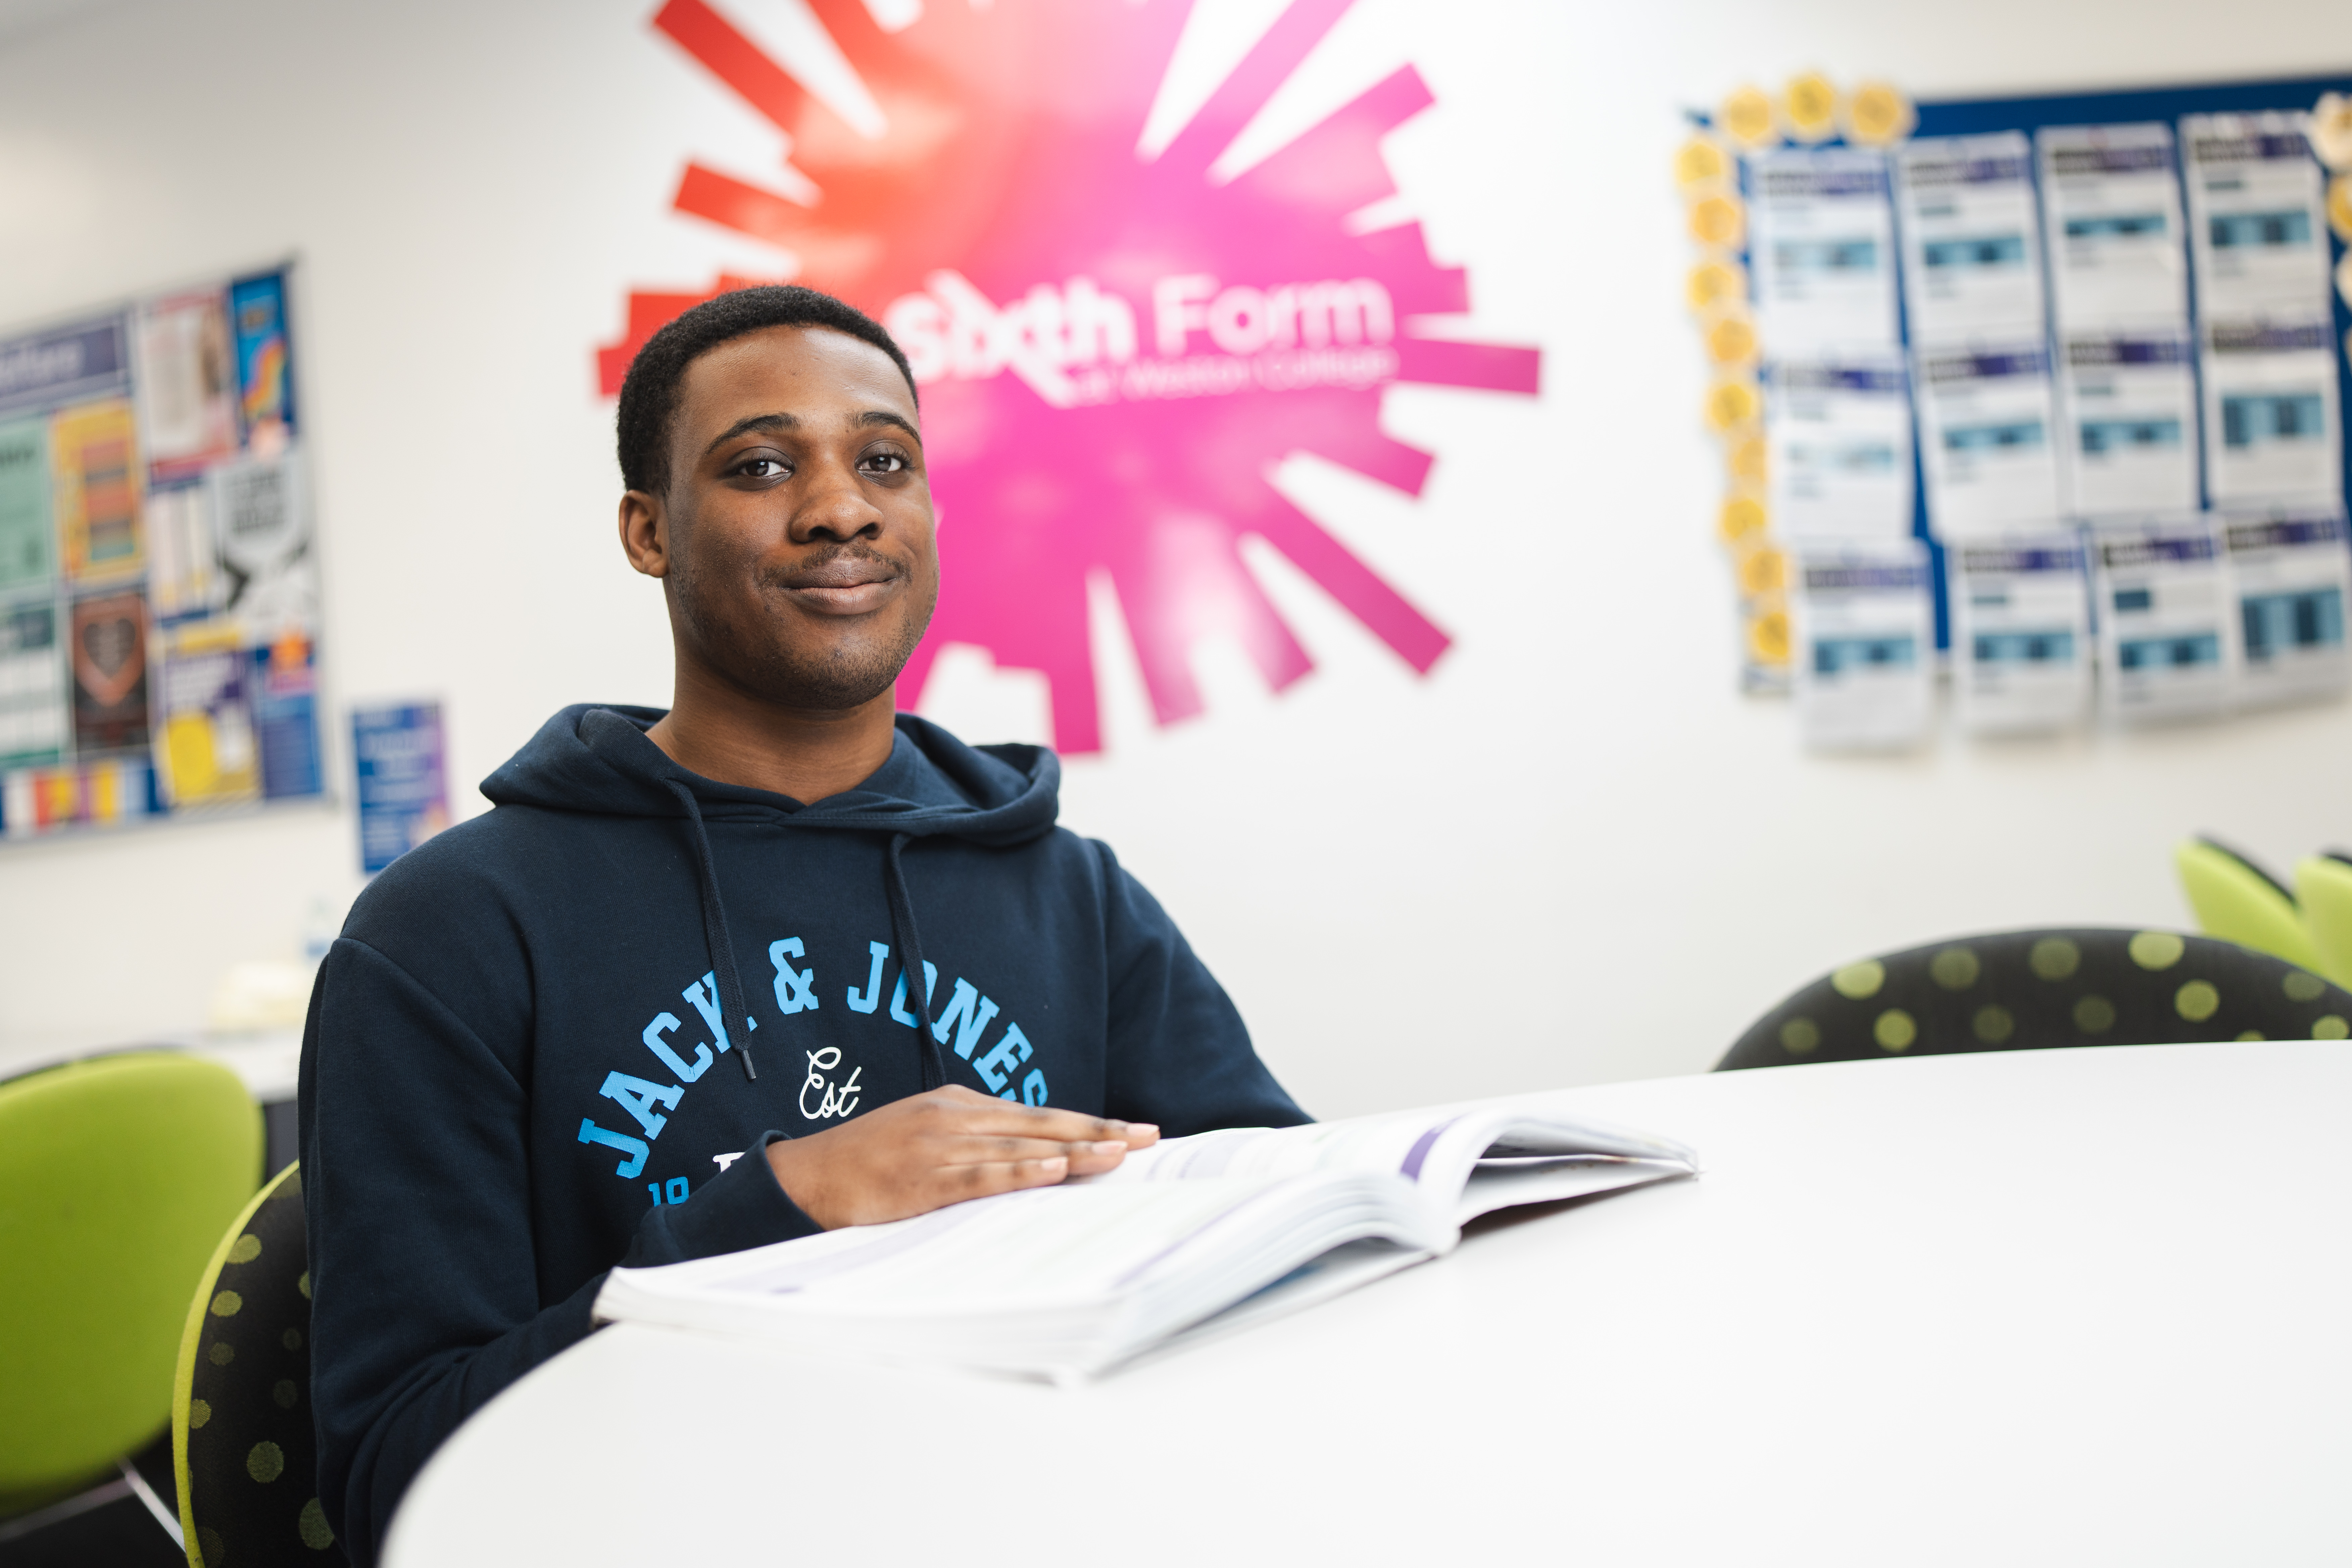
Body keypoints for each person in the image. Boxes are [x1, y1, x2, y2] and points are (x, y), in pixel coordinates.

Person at [298, 285, 1307, 1564]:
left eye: (884, 460)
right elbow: (398, 1473)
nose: (842, 508)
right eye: (762, 466)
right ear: (648, 530)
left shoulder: (1070, 892)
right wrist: (783, 1202)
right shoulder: (448, 934)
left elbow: (1277, 1232)